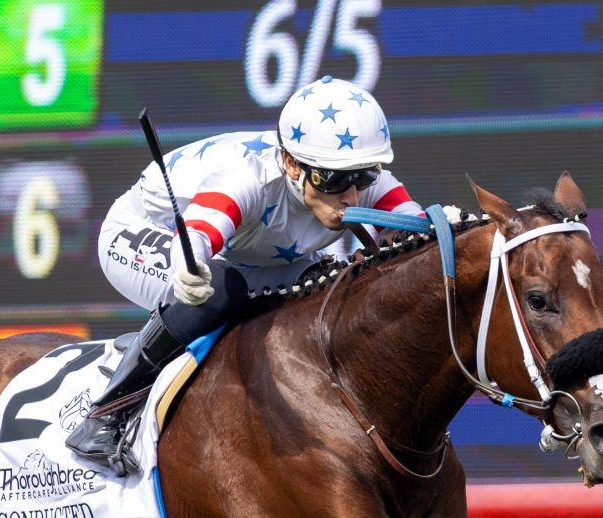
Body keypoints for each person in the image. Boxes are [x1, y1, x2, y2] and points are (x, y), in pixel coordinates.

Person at [67, 75, 423, 474]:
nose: (352, 195)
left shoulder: (351, 177)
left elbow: (421, 237)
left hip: (247, 258)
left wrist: (454, 227)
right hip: (148, 231)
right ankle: (105, 414)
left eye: (365, 176)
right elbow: (200, 234)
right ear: (291, 163)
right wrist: (188, 265)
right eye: (334, 179)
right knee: (215, 289)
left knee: (329, 282)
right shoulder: (249, 177)